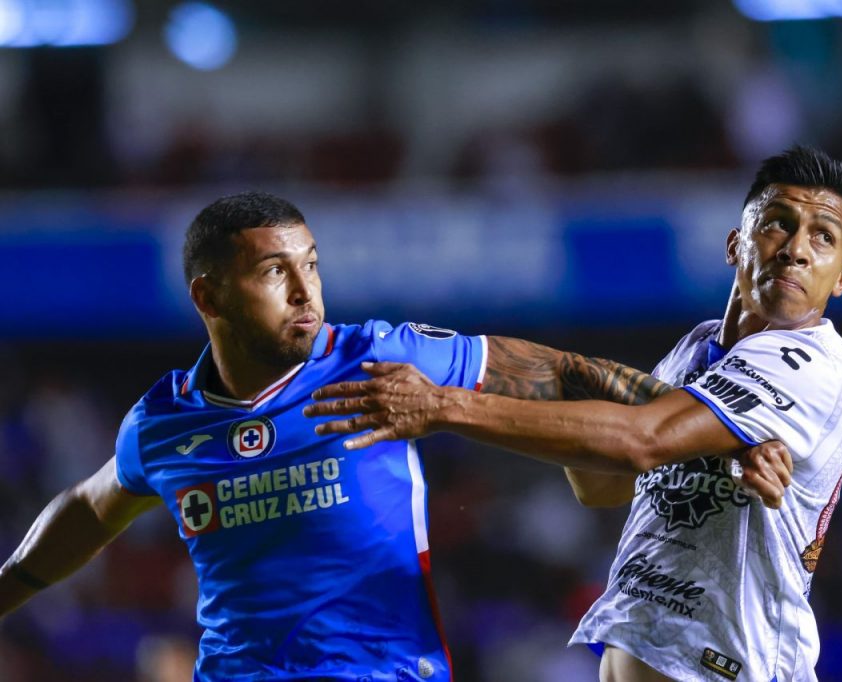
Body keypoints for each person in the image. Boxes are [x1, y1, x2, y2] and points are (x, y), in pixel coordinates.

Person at [0, 191, 789, 681]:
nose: (307, 291)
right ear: (209, 296)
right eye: (275, 272)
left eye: (312, 264)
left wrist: (721, 429)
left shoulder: (378, 356)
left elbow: (557, 372)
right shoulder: (164, 425)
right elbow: (90, 506)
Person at [304, 145, 842, 681]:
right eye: (778, 223)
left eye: (823, 236)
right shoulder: (697, 350)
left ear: (841, 277)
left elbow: (640, 442)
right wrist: (587, 396)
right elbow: (603, 486)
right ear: (736, 243)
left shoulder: (811, 364)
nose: (796, 248)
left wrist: (446, 406)